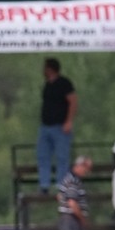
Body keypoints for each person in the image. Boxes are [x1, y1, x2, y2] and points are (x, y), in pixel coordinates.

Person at [37, 58, 78, 193]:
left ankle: (62, 186)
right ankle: (44, 185)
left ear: (50, 69)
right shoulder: (47, 85)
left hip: (60, 127)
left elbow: (73, 101)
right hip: (46, 126)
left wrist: (69, 121)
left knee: (62, 158)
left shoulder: (64, 83)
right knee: (43, 156)